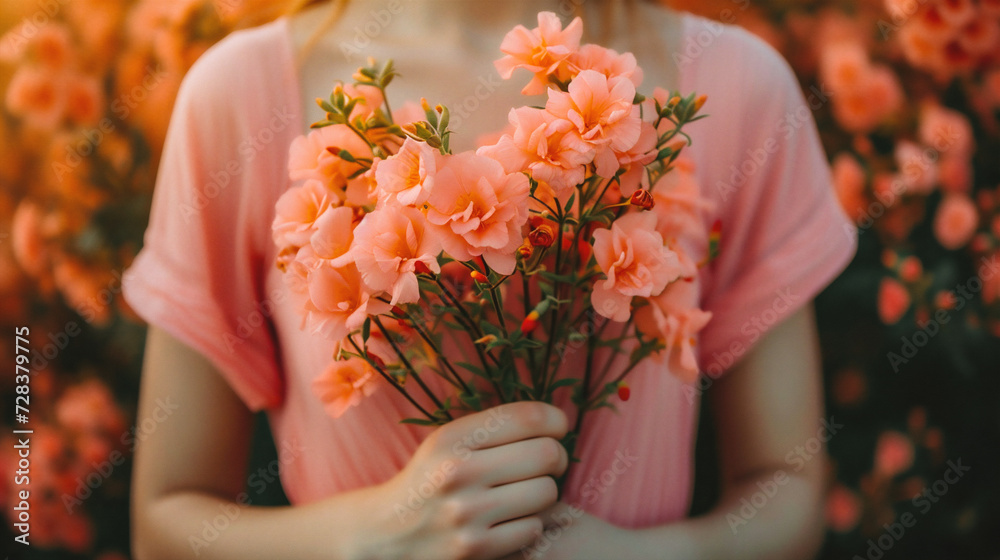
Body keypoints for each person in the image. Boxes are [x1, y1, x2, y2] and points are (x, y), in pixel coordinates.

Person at [125, 1, 857, 558]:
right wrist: (366, 539)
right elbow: (165, 520)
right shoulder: (241, 95)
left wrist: (642, 556)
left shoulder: (735, 88)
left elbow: (787, 492)